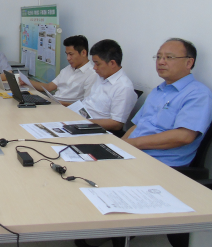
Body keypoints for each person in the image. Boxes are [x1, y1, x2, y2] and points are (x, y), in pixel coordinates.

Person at [122, 38, 212, 167]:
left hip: (159, 163)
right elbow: (138, 125)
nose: (161, 62)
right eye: (158, 57)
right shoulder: (158, 90)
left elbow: (184, 136)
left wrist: (132, 144)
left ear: (189, 62)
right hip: (132, 154)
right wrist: (118, 145)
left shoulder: (198, 94)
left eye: (169, 57)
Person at [82, 39, 138, 131]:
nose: (94, 68)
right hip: (80, 118)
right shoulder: (101, 76)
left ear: (112, 63)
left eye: (97, 64)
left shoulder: (123, 87)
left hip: (95, 129)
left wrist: (82, 122)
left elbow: (116, 124)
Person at [29, 35, 98, 104]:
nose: (68, 58)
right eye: (67, 54)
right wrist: (26, 81)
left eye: (71, 54)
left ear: (83, 53)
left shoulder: (92, 74)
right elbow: (49, 87)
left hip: (65, 108)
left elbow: (85, 105)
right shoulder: (67, 69)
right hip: (53, 103)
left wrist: (59, 103)